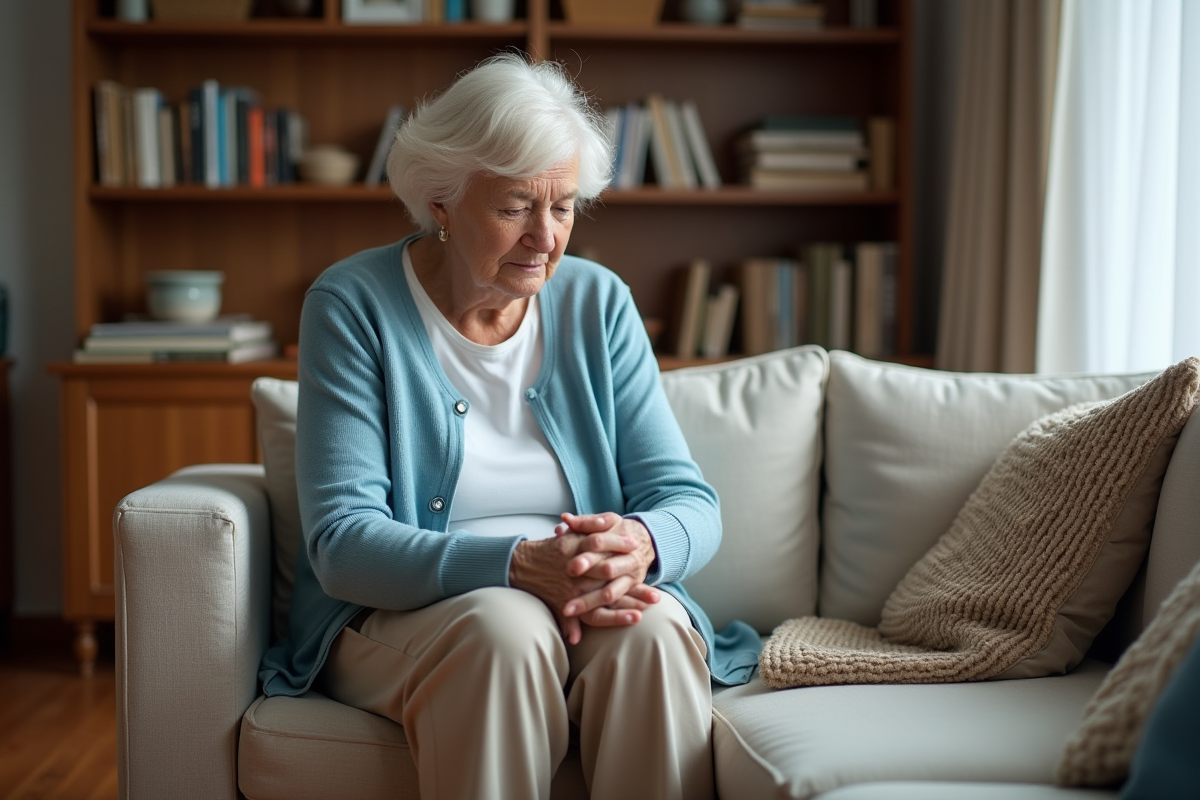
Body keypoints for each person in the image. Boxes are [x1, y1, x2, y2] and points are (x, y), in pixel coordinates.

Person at [258, 53, 760, 800]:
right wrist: (520, 565)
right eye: (515, 207)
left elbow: (689, 500)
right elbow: (342, 544)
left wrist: (642, 546)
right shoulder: (352, 304)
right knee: (506, 632)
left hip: (585, 590)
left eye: (562, 208)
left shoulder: (599, 302)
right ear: (441, 201)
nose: (545, 237)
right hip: (414, 610)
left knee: (653, 638)